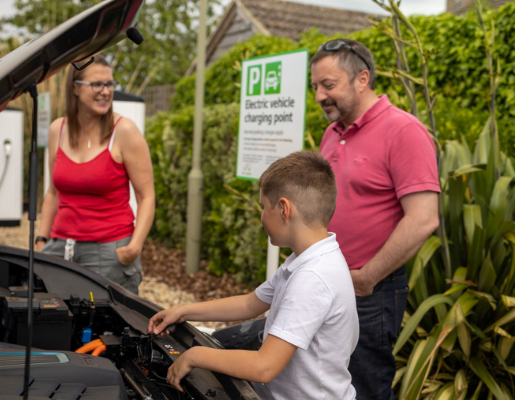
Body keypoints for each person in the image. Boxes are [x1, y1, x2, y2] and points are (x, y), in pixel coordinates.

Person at [149, 151, 359, 400]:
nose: (261, 218)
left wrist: (195, 355)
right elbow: (250, 303)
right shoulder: (307, 258)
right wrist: (184, 311)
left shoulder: (313, 278)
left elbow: (264, 366)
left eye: (262, 207)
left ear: (283, 209)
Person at [311, 39, 440, 399]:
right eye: (315, 87)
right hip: (329, 282)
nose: (320, 96)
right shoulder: (331, 133)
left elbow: (423, 219)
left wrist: (367, 278)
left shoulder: (404, 130)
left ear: (362, 79)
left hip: (371, 291)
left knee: (365, 386)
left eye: (329, 85)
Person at [36, 55, 155, 295]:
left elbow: (147, 197)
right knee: (51, 319)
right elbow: (53, 193)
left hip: (109, 252)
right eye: (97, 84)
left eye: (110, 84)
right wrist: (41, 239)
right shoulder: (57, 130)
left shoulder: (124, 131)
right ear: (75, 89)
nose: (106, 91)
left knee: (106, 328)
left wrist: (133, 248)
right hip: (60, 248)